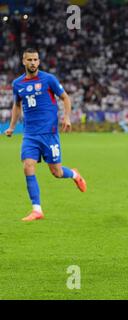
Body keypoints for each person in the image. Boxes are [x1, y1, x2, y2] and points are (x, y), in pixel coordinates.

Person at [5, 48, 87, 221]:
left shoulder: (49, 79)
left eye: (35, 60)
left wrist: (67, 118)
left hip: (49, 133)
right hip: (30, 134)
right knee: (27, 165)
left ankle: (74, 174)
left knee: (56, 172)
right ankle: (37, 209)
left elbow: (65, 98)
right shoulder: (17, 84)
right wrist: (12, 127)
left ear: (39, 61)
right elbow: (17, 106)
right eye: (29, 60)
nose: (33, 63)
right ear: (23, 61)